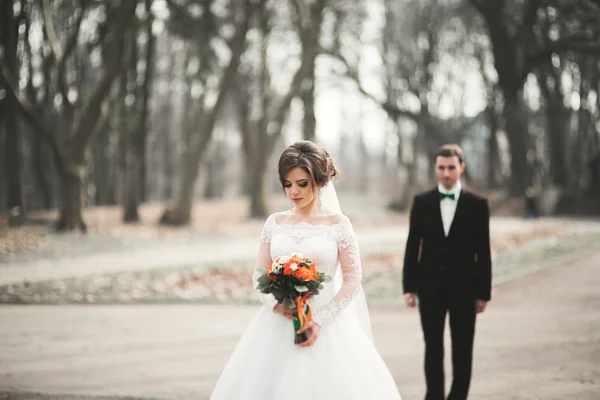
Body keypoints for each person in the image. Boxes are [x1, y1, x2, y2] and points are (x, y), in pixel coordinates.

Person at [210, 140, 402, 400]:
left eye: (302, 184)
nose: (293, 192)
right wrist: (274, 304)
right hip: (277, 321)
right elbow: (259, 271)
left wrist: (320, 319)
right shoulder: (274, 222)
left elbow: (353, 279)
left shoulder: (339, 225)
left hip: (327, 323)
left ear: (320, 182)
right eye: (287, 184)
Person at [403, 144, 492, 400]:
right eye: (441, 167)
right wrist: (409, 287)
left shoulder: (478, 204)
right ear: (435, 168)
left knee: (463, 348)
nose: (446, 173)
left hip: (466, 288)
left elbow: (483, 251)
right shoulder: (422, 202)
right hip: (429, 287)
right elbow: (412, 247)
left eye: (451, 167)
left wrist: (483, 292)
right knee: (433, 348)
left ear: (461, 168)